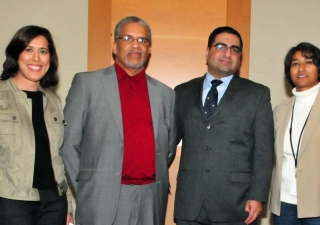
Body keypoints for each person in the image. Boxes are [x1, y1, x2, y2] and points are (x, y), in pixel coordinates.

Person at [61, 16, 176, 225]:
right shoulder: (87, 84)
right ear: (115, 46)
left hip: (150, 198)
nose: (136, 45)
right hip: (101, 198)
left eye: (143, 40)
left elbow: (168, 149)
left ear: (149, 50)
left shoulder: (166, 94)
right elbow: (68, 143)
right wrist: (88, 188)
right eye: (128, 38)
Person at [173, 26, 274, 225]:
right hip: (190, 203)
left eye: (235, 49)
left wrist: (258, 195)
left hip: (237, 205)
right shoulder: (182, 92)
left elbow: (264, 151)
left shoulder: (257, 95)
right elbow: (167, 143)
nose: (228, 53)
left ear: (240, 57)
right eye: (221, 46)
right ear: (207, 51)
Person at [0, 25, 73, 225]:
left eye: (43, 51)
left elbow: (58, 157)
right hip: (11, 201)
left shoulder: (53, 101)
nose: (36, 58)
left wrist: (68, 206)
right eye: (29, 50)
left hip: (53, 203)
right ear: (17, 54)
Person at [270, 42, 320, 224]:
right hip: (283, 204)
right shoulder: (280, 111)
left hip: (316, 205)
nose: (301, 68)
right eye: (295, 63)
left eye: (308, 62)